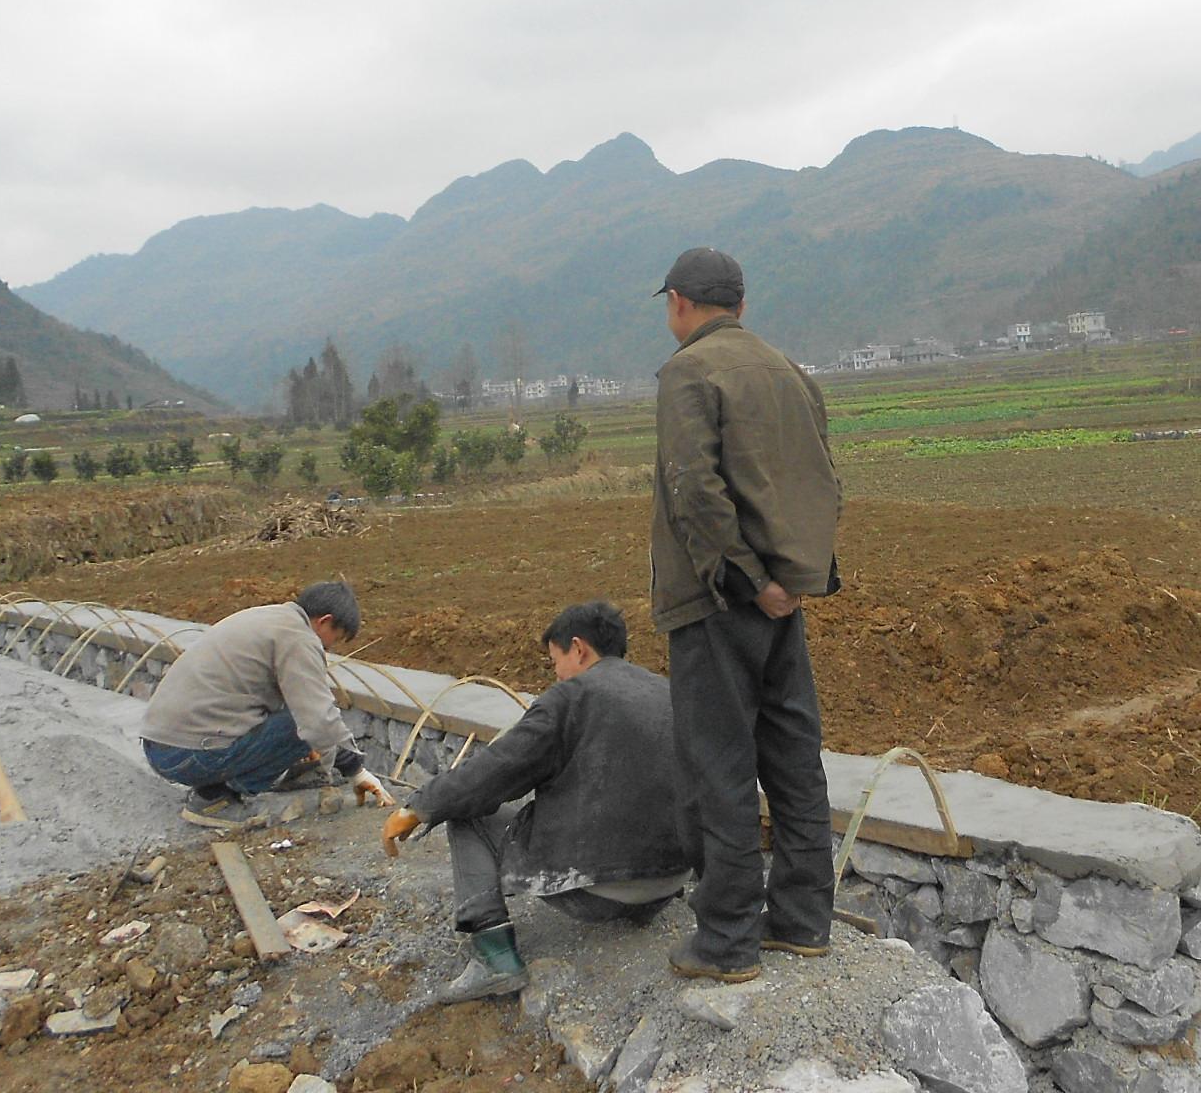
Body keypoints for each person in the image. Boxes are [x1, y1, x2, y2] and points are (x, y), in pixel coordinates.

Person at [650, 247, 842, 984]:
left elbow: (693, 491)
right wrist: (794, 580)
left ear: (679, 303)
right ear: (742, 305)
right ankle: (802, 922)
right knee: (794, 756)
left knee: (720, 765)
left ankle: (728, 939)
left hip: (717, 601)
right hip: (785, 601)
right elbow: (823, 477)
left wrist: (746, 579)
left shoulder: (687, 374)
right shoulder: (788, 370)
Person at [380, 601, 688, 1002]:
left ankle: (495, 959)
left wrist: (419, 807)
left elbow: (498, 769)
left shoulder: (571, 697)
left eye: (555, 660)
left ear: (578, 649)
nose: (556, 674)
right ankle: (638, 908)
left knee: (467, 815)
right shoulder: (669, 692)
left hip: (599, 891)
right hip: (670, 881)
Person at [140, 579, 393, 820]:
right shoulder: (299, 638)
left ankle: (277, 775)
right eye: (335, 639)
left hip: (161, 745)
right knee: (300, 725)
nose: (330, 648)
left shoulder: (270, 618)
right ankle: (213, 799)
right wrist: (356, 770)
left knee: (298, 716)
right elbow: (316, 719)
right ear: (324, 621)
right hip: (186, 756)